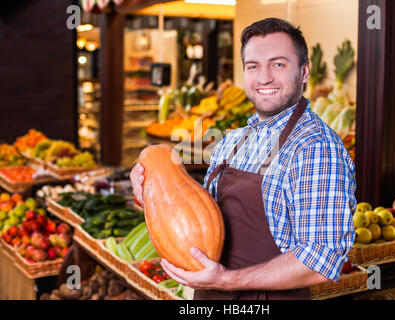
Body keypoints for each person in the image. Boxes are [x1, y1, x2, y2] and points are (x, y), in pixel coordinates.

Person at [130, 17, 356, 300]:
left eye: (278, 64)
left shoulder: (315, 149)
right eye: (253, 66)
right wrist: (151, 194)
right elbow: (195, 217)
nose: (264, 78)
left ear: (304, 71)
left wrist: (226, 280)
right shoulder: (233, 141)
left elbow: (321, 261)